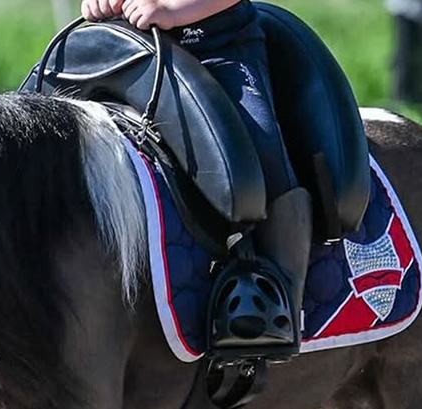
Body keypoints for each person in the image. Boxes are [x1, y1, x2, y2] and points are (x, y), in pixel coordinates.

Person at [81, 0, 314, 359]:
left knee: (263, 153)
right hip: (124, 43)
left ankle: (277, 301)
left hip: (216, 46)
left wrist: (173, 10)